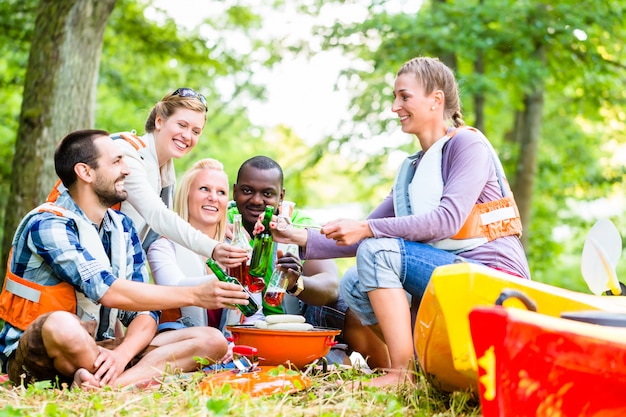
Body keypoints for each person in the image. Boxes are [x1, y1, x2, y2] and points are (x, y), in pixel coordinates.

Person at [262, 57, 530, 387]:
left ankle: (402, 373)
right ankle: (420, 368)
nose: (394, 107)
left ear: (436, 99)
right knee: (355, 282)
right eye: (395, 97)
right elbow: (359, 234)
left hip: (494, 278)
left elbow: (446, 221)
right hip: (450, 272)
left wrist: (368, 230)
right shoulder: (411, 171)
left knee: (377, 251)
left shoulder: (467, 145)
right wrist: (297, 234)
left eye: (404, 97)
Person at [0, 130, 252, 389]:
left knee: (211, 340)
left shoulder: (123, 227)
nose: (127, 170)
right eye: (117, 162)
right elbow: (106, 289)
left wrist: (122, 354)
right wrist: (196, 295)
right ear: (85, 172)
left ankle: (107, 386)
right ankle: (108, 381)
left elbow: (145, 312)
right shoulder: (47, 223)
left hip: (98, 348)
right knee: (63, 325)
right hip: (35, 352)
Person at [230, 156, 389, 369]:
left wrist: (296, 283)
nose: (257, 201)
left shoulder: (298, 224)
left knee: (355, 300)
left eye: (267, 193)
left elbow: (330, 286)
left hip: (300, 321)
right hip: (242, 326)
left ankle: (388, 372)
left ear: (281, 196)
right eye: (247, 191)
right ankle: (328, 361)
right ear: (234, 191)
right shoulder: (223, 219)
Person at [110, 88, 246, 269]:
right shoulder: (128, 156)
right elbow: (158, 216)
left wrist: (218, 227)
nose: (187, 136)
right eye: (182, 125)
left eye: (196, 131)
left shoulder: (165, 175)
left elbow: (166, 225)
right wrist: (213, 248)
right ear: (159, 121)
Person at [147, 158, 231, 332]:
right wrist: (233, 282)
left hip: (234, 350)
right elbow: (174, 286)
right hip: (181, 346)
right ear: (186, 194)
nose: (213, 198)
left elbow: (255, 314)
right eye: (204, 189)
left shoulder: (238, 248)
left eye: (221, 192)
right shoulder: (163, 247)